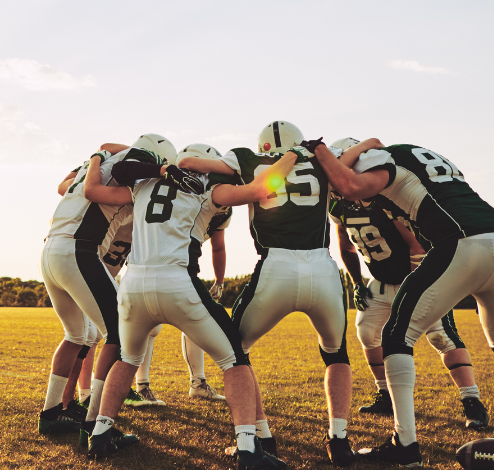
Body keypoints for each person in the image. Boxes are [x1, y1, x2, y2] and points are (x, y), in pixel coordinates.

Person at [312, 139, 494, 465]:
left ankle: (405, 444)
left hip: (462, 240)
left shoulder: (382, 160)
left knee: (395, 337)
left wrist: (322, 152)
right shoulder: (420, 156)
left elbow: (350, 183)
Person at [83, 144, 299, 469]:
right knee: (235, 359)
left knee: (128, 358)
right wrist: (291, 158)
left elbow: (97, 192)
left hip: (134, 284)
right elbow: (260, 188)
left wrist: (105, 157)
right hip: (178, 281)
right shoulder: (208, 187)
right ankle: (248, 447)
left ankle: (100, 434)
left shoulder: (142, 185)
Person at [181, 122, 375, 467]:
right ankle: (339, 439)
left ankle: (261, 436)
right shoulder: (321, 160)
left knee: (235, 351)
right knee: (336, 353)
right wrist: (355, 145)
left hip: (276, 265)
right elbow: (352, 157)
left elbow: (199, 165)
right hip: (323, 267)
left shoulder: (247, 160)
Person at [328, 139, 489, 431]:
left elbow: (416, 245)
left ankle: (472, 401)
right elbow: (347, 247)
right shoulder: (339, 206)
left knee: (441, 336)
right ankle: (385, 394)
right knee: (366, 331)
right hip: (380, 280)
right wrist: (355, 282)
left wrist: (417, 283)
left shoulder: (383, 195)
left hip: (415, 276)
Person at [36, 135, 176, 436]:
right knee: (121, 333)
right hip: (79, 250)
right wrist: (160, 173)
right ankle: (96, 420)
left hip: (50, 251)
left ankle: (51, 413)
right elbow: (120, 178)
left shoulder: (96, 164)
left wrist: (100, 154)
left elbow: (78, 175)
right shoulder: (124, 175)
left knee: (77, 334)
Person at [127, 144, 232, 407]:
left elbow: (218, 244)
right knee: (153, 329)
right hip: (156, 264)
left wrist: (219, 280)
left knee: (188, 323)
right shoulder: (198, 194)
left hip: (169, 267)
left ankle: (195, 382)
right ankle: (142, 386)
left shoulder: (194, 194)